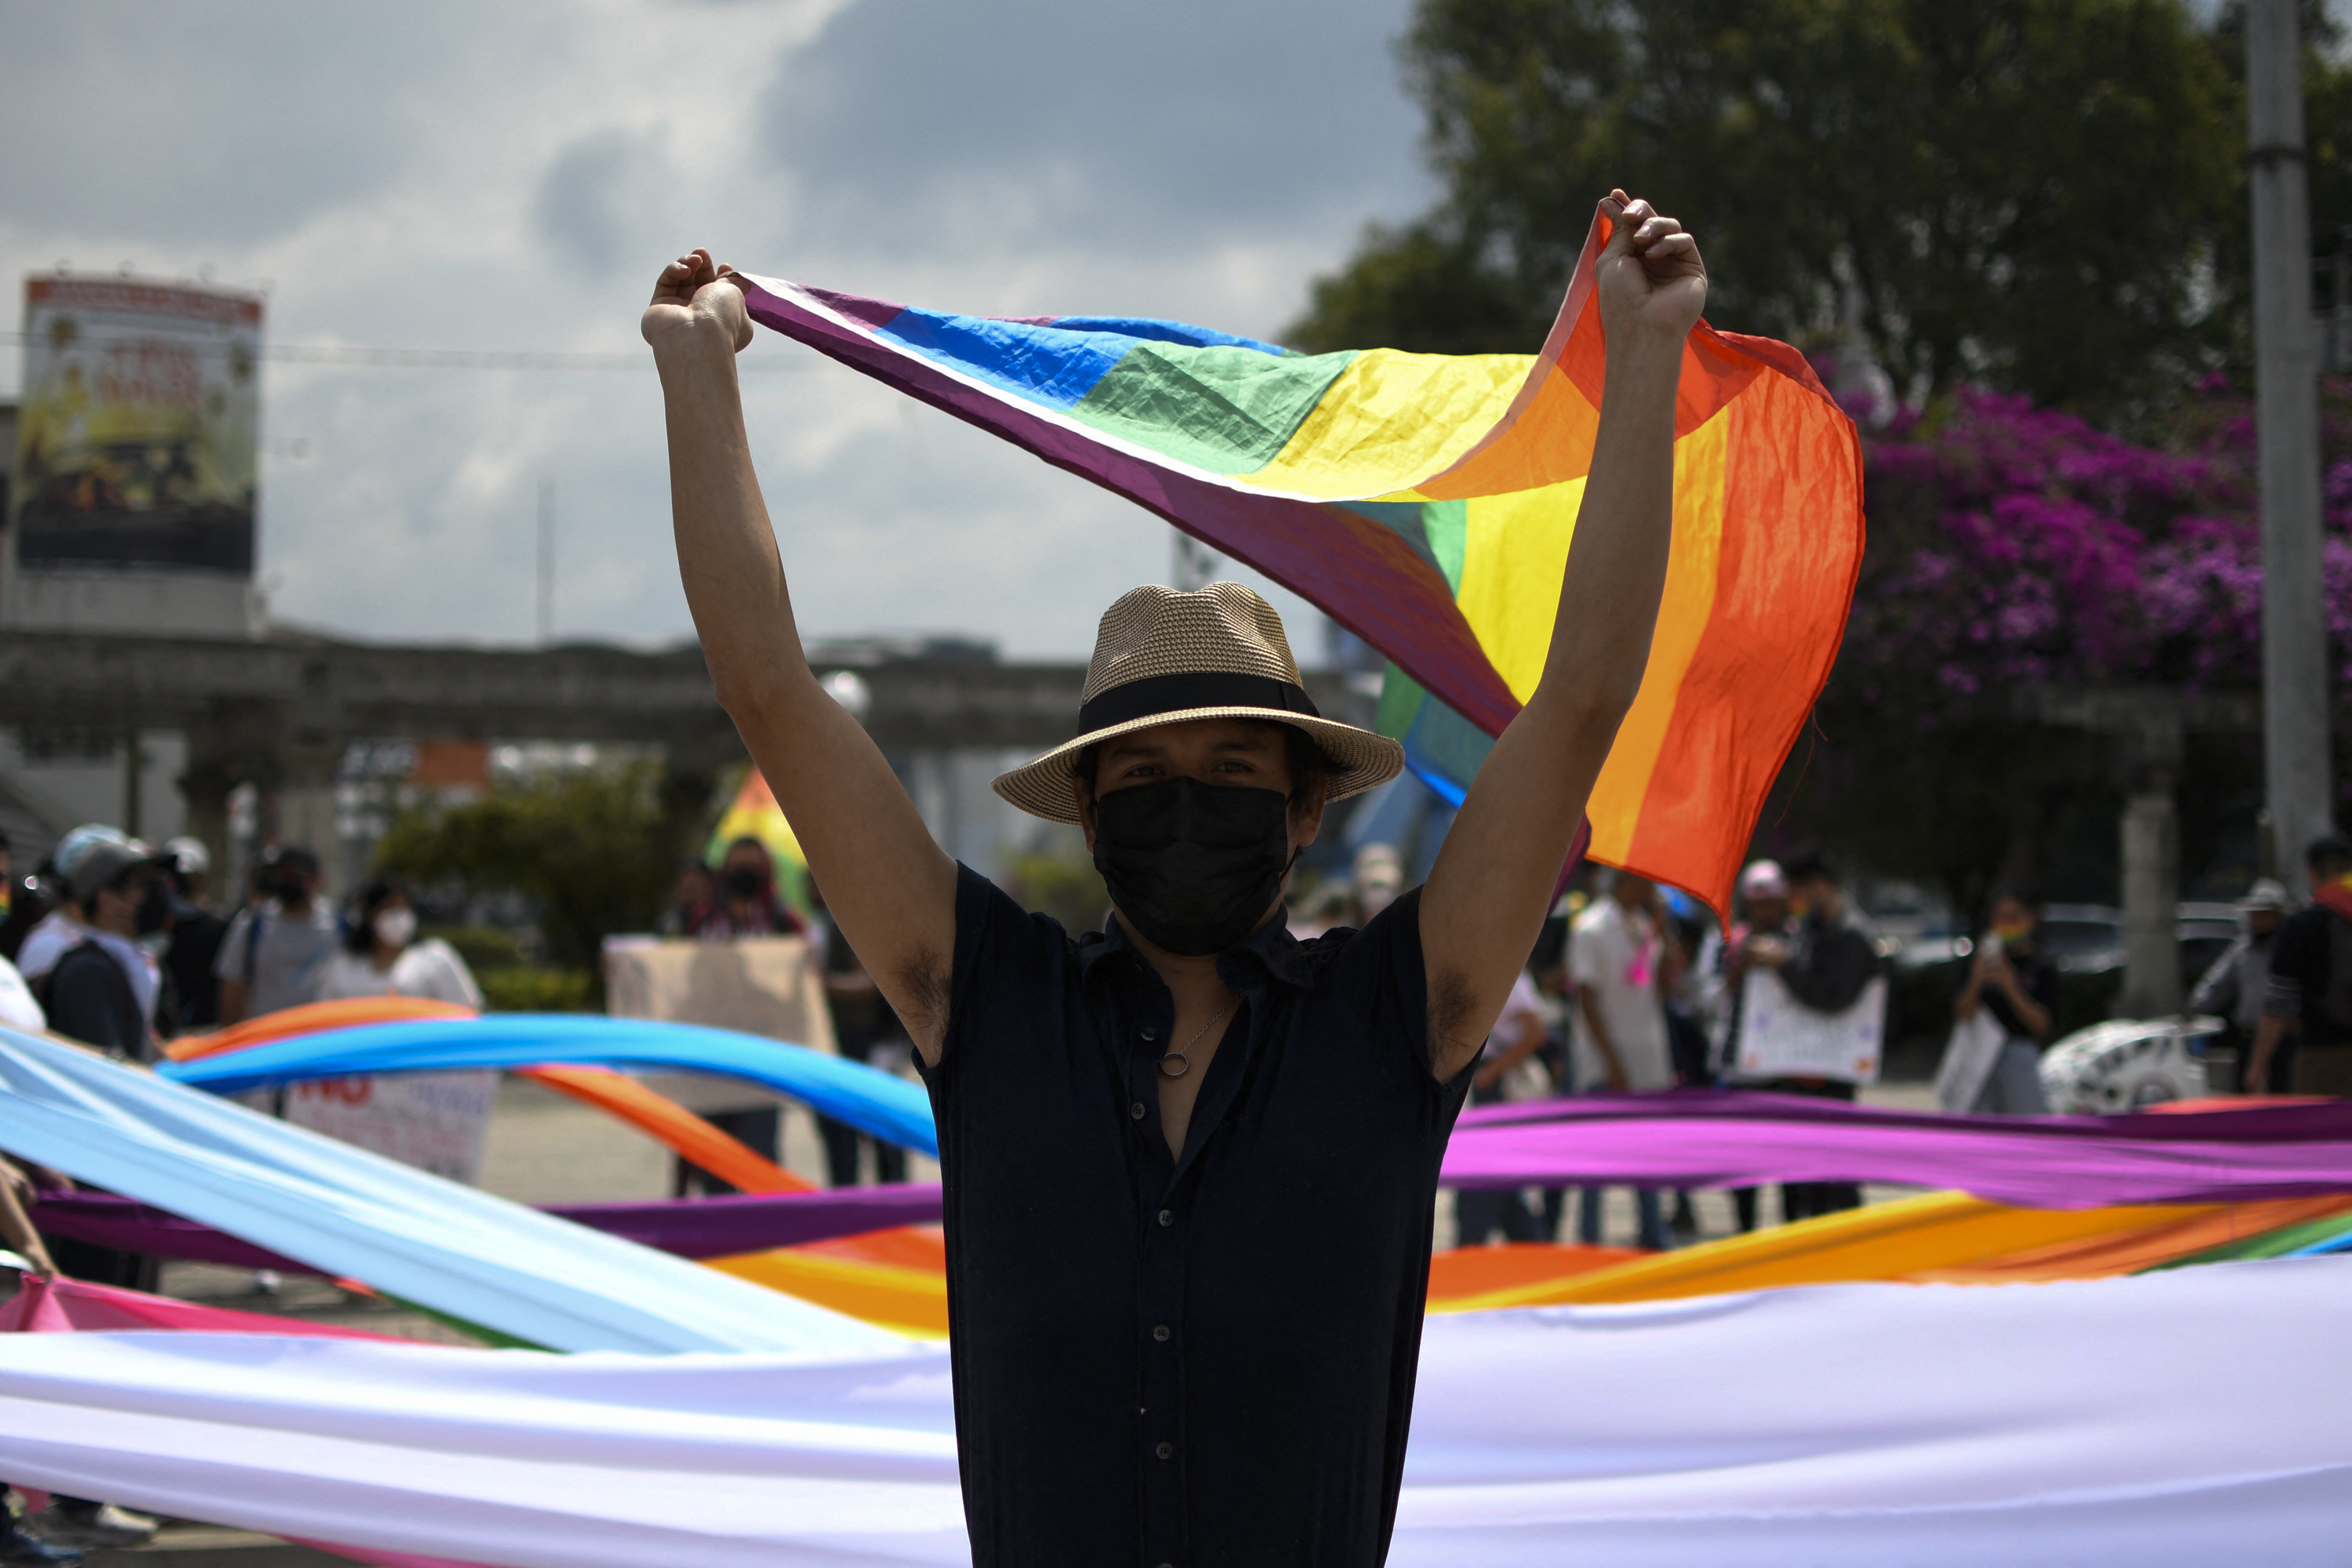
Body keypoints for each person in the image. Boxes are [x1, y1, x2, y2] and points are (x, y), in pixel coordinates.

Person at [644, 188, 1704, 1564]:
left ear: (1306, 808)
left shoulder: (1401, 1014)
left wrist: (1645, 358)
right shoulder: (988, 1002)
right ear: (1088, 814)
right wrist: (697, 382)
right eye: (1143, 778)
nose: (1186, 804)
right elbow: (772, 694)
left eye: (1230, 771)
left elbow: (1580, 702)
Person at [1568, 870, 1679, 1249]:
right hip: (1605, 1061)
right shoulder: (1591, 927)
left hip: (1645, 1057)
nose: (1655, 889)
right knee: (1596, 1156)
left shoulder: (1643, 925)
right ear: (1629, 882)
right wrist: (1612, 1062)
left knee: (1646, 1153)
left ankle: (1652, 1233)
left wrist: (1663, 932)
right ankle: (1590, 1239)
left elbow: (1663, 985)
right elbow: (1587, 1000)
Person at [811, 877, 910, 1188]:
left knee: (883, 1127)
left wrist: (819, 984)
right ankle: (847, 1201)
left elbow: (870, 982)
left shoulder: (860, 921)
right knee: (839, 1133)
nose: (812, 890)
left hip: (874, 1040)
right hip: (832, 1042)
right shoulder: (818, 926)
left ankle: (894, 1201)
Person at [1454, 963, 1555, 1245]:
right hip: (1488, 1083)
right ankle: (1530, 1246)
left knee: (1485, 1177)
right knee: (1503, 1181)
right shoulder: (1495, 970)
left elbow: (1537, 1032)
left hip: (1496, 1086)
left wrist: (1494, 1071)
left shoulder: (1507, 973)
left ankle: (1471, 1247)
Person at [2248, 834, 2352, 1097]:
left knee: (2324, 1123)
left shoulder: (2303, 925)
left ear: (2311, 873)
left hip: (2322, 1055)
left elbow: (2278, 1004)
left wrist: (2258, 1065)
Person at [1954, 888, 2060, 1116]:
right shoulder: (1977, 961)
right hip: (1978, 1053)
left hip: (2019, 1052)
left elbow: (2042, 1025)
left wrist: (2010, 986)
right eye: (2000, 917)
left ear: (2032, 919)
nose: (2006, 924)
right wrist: (1976, 979)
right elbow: (1962, 1012)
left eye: (2014, 917)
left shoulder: (2041, 967)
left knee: (2025, 1121)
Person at [214, 845, 339, 1025]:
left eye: (297, 877)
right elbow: (232, 983)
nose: (289, 882)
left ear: (318, 879)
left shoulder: (337, 925)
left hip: (320, 1034)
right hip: (268, 1035)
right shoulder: (252, 924)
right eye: (283, 875)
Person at [313, 878, 484, 1007]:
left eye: (404, 908)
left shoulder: (434, 958)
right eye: (390, 908)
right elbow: (325, 1015)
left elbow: (466, 1010)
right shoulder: (343, 965)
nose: (399, 917)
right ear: (371, 916)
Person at [2190, 877, 2291, 1092]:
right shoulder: (2242, 951)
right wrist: (2195, 1009)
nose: (2258, 921)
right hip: (2249, 1036)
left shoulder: (2288, 950)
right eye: (2255, 916)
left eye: (2265, 915)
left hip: (2284, 1038)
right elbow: (2217, 985)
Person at [159, 836, 228, 1030]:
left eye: (188, 875)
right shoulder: (153, 922)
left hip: (201, 1028)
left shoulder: (216, 926)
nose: (178, 882)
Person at [681, 837, 808, 939]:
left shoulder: (785, 920)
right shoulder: (703, 918)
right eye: (738, 867)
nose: (744, 874)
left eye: (752, 867)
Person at [657, 857, 716, 937]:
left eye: (694, 883)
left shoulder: (719, 919)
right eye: (683, 883)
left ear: (707, 885)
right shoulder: (668, 921)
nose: (688, 887)